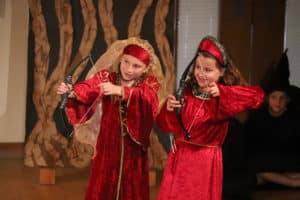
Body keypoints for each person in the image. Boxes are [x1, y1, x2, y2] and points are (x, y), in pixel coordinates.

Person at [156, 35, 265, 200]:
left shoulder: (222, 99)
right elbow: (166, 126)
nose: (200, 73)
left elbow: (258, 97)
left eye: (207, 70)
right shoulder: (186, 91)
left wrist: (224, 92)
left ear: (221, 72)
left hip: (204, 161)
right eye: (198, 67)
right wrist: (169, 109)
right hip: (180, 157)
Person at [57, 37, 163, 200]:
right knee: (104, 184)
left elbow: (149, 100)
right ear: (121, 59)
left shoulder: (149, 84)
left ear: (145, 68)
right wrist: (72, 92)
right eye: (126, 62)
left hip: (134, 150)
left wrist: (121, 91)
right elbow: (89, 87)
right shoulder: (107, 77)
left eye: (136, 66)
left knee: (131, 187)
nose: (128, 69)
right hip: (107, 145)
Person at [245, 49, 300, 189]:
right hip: (264, 163)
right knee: (252, 166)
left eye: (282, 98)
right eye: (274, 97)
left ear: (287, 101)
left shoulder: (294, 118)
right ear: (268, 99)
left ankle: (277, 179)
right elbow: (248, 146)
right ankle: (292, 182)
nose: (278, 101)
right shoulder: (257, 118)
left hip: (287, 161)